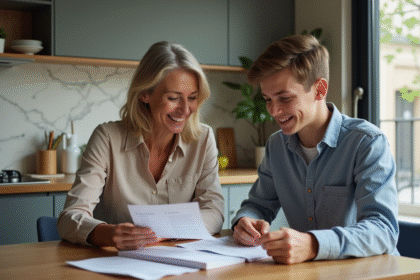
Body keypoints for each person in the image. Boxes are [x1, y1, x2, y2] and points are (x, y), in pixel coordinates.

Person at [232, 35, 399, 264]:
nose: (274, 110)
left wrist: (313, 245)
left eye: (284, 98)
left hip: (370, 274)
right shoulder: (276, 145)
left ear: (319, 89)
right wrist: (246, 220)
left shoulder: (367, 142)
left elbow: (384, 231)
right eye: (268, 99)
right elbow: (258, 206)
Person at [58, 41, 224, 250]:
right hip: (115, 264)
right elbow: (69, 218)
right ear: (145, 94)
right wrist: (109, 234)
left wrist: (165, 233)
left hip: (180, 263)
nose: (185, 110)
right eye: (173, 98)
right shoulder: (107, 138)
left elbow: (214, 211)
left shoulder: (204, 138)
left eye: (192, 98)